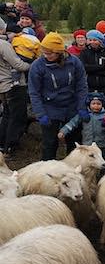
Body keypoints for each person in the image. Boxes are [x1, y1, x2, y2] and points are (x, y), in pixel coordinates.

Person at [28, 32, 88, 160]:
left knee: (74, 142)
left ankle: (74, 170)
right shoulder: (37, 66)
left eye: (49, 53)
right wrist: (40, 114)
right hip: (50, 108)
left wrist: (82, 106)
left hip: (71, 106)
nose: (46, 56)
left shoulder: (74, 62)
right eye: (44, 52)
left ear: (59, 52)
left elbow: (82, 85)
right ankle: (47, 171)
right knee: (49, 143)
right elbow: (34, 92)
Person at [0, 18, 32, 158]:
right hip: (12, 85)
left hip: (2, 86)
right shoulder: (3, 45)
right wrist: (33, 65)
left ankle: (2, 143)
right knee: (17, 117)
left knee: (7, 115)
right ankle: (10, 147)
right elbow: (17, 64)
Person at [58, 92, 105, 162]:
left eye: (98, 104)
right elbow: (73, 123)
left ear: (102, 105)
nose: (96, 106)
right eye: (93, 104)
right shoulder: (84, 115)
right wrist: (63, 131)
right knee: (88, 160)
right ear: (89, 104)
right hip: (87, 144)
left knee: (102, 159)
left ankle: (103, 172)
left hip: (101, 144)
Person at [81, 29, 105, 103]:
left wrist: (92, 70)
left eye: (95, 40)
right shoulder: (84, 53)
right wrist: (102, 67)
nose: (92, 42)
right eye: (90, 40)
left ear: (100, 41)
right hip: (89, 87)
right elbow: (84, 68)